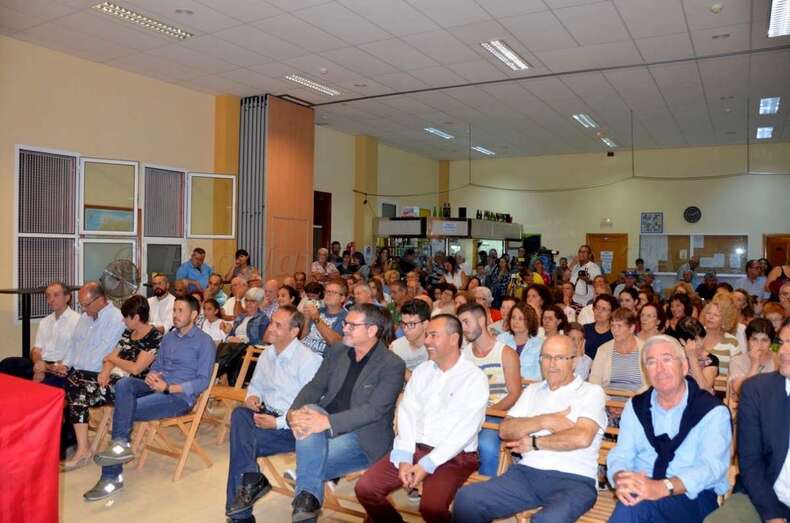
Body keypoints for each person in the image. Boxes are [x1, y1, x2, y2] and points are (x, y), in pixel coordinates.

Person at [453, 335, 607, 523]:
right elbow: (505, 430)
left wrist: (535, 442)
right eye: (546, 357)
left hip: (575, 480)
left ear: (574, 362)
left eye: (560, 358)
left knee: (547, 520)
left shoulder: (591, 392)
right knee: (467, 499)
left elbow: (582, 437)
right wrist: (544, 421)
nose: (551, 364)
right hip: (526, 475)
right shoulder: (532, 391)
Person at [355, 314, 488, 523]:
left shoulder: (474, 378)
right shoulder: (422, 372)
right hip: (415, 448)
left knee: (431, 508)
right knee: (366, 488)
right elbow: (407, 415)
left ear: (454, 339)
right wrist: (404, 458)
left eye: (433, 335)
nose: (426, 341)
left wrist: (427, 464)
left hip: (454, 456)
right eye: (427, 335)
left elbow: (464, 432)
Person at [282, 304, 404, 522]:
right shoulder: (339, 350)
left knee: (308, 468)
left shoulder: (392, 364)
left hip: (363, 438)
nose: (344, 328)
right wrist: (292, 412)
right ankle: (307, 501)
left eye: (351, 325)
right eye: (345, 323)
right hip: (323, 426)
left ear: (372, 330)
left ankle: (305, 500)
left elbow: (374, 410)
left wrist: (327, 422)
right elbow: (315, 386)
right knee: (309, 410)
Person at [86, 295, 215, 501]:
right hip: (157, 386)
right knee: (124, 384)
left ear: (193, 315)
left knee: (125, 409)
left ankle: (111, 477)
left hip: (179, 397)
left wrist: (169, 388)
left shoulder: (204, 342)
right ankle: (121, 444)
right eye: (174, 310)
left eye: (180, 311)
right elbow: (157, 365)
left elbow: (203, 381)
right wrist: (152, 375)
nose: (175, 315)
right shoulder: (169, 338)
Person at [606, 335, 732, 523]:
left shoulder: (712, 410)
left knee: (632, 506)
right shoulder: (636, 406)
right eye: (651, 362)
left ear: (684, 366)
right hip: (642, 489)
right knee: (632, 503)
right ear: (646, 371)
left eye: (667, 359)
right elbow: (621, 454)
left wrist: (663, 487)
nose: (660, 369)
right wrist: (621, 478)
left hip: (691, 497)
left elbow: (711, 467)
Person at [224, 306, 322, 523]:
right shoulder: (267, 353)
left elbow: (312, 408)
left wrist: (277, 423)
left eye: (278, 325)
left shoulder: (308, 360)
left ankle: (241, 515)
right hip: (265, 415)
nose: (270, 328)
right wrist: (253, 396)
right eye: (271, 322)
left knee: (241, 444)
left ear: (294, 331)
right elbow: (256, 385)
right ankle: (251, 480)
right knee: (240, 414)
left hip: (293, 429)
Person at [62, 295, 161, 471]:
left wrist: (113, 359)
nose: (123, 320)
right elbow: (111, 357)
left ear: (136, 317)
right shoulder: (128, 333)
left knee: (80, 395)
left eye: (126, 317)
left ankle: (83, 450)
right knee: (75, 380)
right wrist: (105, 371)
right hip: (115, 380)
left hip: (134, 387)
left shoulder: (154, 337)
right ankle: (83, 448)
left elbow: (136, 369)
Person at [703, 321, 790, 523]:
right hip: (763, 494)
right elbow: (751, 461)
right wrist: (773, 514)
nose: (783, 351)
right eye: (782, 342)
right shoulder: (757, 389)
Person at [458, 303, 521, 477]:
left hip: (497, 413)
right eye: (460, 323)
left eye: (466, 322)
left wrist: (486, 413)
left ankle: (487, 487)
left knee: (486, 445)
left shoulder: (506, 353)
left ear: (481, 320)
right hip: (469, 414)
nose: (463, 328)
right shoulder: (463, 356)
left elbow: (515, 393)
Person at [0, 281, 79, 383]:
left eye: (56, 295)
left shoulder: (77, 321)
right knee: (7, 364)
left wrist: (46, 368)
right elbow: (36, 350)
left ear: (67, 297)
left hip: (60, 368)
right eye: (48, 296)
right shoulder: (45, 321)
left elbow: (74, 354)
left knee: (49, 381)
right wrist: (39, 364)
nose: (51, 300)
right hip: (41, 363)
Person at [589, 308, 647, 393]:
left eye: (619, 326)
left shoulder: (646, 349)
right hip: (608, 398)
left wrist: (636, 398)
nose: (614, 330)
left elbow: (650, 383)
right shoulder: (603, 350)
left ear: (632, 328)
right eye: (612, 326)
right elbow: (594, 381)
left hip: (637, 398)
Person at [728, 318, 777, 398]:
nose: (759, 345)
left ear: (771, 342)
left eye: (764, 340)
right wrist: (755, 364)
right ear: (747, 341)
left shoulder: (778, 359)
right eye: (754, 339)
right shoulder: (736, 361)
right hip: (748, 404)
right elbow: (740, 391)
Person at [301, 280, 348, 357]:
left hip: (320, 359)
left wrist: (316, 319)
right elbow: (303, 338)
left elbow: (335, 343)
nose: (328, 294)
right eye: (327, 291)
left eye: (333, 292)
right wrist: (307, 319)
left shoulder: (346, 317)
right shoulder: (319, 310)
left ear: (342, 298)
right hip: (303, 353)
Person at [497, 303, 543, 381]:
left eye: (520, 319)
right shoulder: (501, 340)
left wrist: (521, 381)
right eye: (513, 317)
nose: (515, 322)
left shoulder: (540, 345)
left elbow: (539, 376)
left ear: (530, 321)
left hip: (530, 386)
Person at [674, 317, 718, 393]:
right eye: (696, 340)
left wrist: (692, 358)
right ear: (682, 341)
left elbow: (705, 390)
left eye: (702, 338)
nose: (701, 344)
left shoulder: (710, 360)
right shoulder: (674, 358)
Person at [390, 299, 430, 378]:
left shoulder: (435, 348)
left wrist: (398, 365)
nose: (405, 329)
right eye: (403, 323)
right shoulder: (395, 347)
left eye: (411, 324)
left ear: (425, 324)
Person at [701, 296, 741, 375]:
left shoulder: (732, 342)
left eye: (716, 315)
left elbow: (737, 373)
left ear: (725, 319)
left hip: (722, 382)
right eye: (708, 313)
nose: (710, 317)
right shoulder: (695, 334)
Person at [582, 294, 617, 360]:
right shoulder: (585, 328)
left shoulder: (615, 333)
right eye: (597, 308)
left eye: (604, 309)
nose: (599, 311)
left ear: (612, 313)